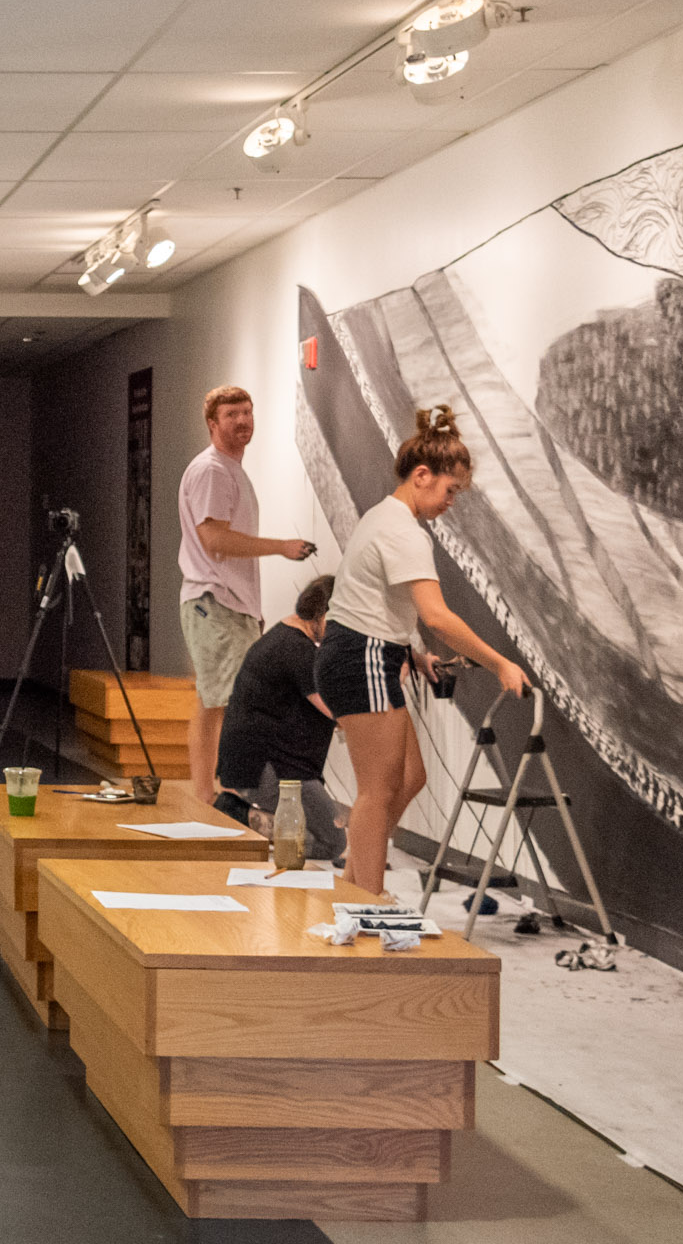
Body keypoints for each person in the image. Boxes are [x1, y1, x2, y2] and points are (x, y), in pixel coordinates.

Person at [320, 405, 526, 897]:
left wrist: (413, 655)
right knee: (378, 789)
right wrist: (501, 663)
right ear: (421, 475)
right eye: (450, 490)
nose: (451, 502)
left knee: (410, 776)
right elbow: (436, 616)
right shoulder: (403, 532)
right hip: (361, 656)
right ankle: (367, 900)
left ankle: (353, 883)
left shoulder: (383, 517)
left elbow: (376, 601)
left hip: (371, 652)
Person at [178, 382, 315, 803]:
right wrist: (281, 547)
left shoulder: (229, 470)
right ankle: (222, 794)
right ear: (212, 423)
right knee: (228, 704)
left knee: (215, 701)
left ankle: (211, 795)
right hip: (213, 601)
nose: (242, 421)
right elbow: (215, 540)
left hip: (225, 603)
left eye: (247, 412)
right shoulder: (212, 471)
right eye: (232, 414)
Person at [211, 573, 347, 863]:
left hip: (264, 765)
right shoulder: (297, 650)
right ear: (322, 615)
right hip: (272, 770)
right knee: (331, 843)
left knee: (327, 833)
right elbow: (339, 712)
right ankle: (238, 815)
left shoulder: (284, 637)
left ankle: (238, 814)